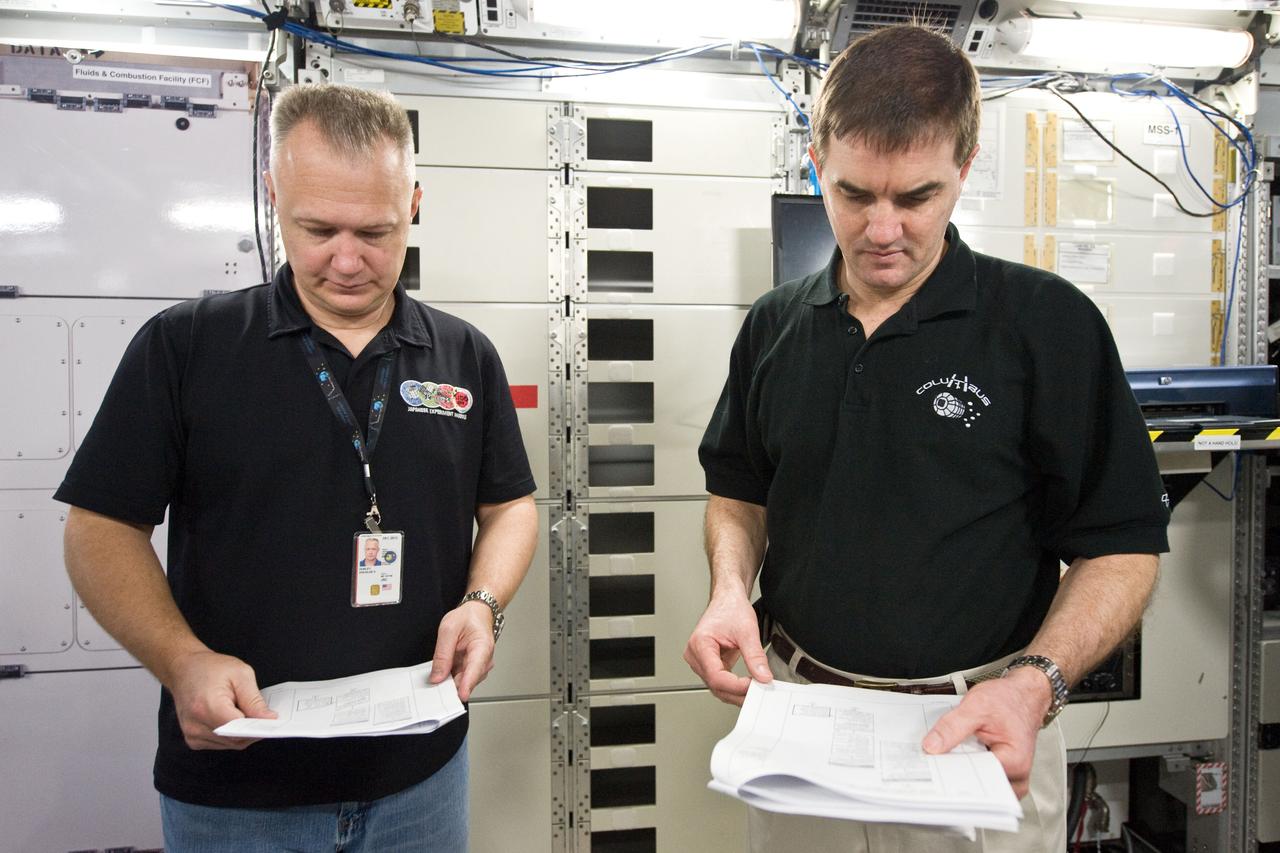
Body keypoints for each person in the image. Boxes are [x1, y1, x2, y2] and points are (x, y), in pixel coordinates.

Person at [684, 24, 1169, 852]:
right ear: (816, 162)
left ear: (964, 169)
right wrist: (731, 587)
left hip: (977, 730)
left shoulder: (1046, 326)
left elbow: (1123, 546)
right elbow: (740, 490)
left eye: (916, 197)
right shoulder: (774, 325)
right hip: (803, 727)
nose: (881, 230)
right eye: (852, 194)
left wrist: (1037, 682)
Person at [56, 84, 538, 852]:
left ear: (414, 202)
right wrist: (182, 661)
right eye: (317, 229)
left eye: (375, 232)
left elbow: (510, 505)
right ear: (274, 196)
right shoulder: (186, 348)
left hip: (420, 778)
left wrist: (482, 602)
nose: (347, 260)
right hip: (239, 793)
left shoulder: (464, 354)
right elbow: (99, 528)